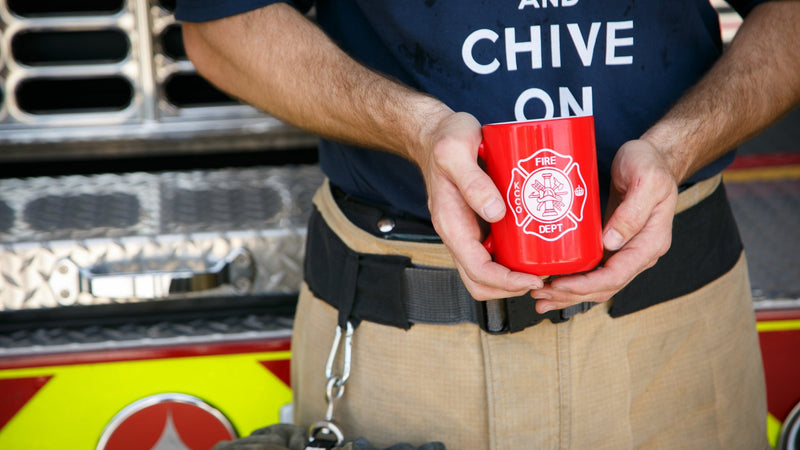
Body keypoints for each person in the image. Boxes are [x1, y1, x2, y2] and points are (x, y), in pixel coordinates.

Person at [176, 1, 800, 448]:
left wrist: (679, 146)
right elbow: (224, 25)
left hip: (677, 337)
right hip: (402, 338)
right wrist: (412, 129)